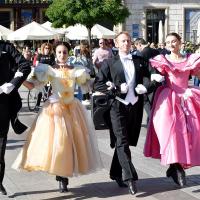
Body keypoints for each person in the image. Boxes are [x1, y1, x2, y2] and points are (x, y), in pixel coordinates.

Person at [12, 42, 102, 193]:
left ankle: (63, 177)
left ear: (69, 53)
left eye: (65, 52)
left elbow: (89, 84)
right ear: (55, 53)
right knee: (59, 143)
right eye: (59, 52)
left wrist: (105, 79)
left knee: (70, 144)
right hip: (54, 109)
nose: (62, 55)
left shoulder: (77, 70)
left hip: (73, 109)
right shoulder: (49, 70)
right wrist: (16, 78)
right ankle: (61, 177)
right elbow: (33, 85)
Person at [93, 31, 153, 195]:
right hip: (117, 106)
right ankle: (130, 178)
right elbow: (98, 85)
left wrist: (146, 87)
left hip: (135, 106)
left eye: (128, 41)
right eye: (123, 41)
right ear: (116, 43)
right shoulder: (109, 63)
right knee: (122, 140)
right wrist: (116, 88)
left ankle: (115, 172)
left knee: (126, 141)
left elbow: (149, 77)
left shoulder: (140, 61)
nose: (126, 43)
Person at [144, 32, 200, 187]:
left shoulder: (190, 60)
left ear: (180, 42)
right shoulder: (162, 60)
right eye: (168, 42)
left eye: (174, 41)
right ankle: (176, 167)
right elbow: (152, 75)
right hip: (168, 99)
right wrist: (152, 79)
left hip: (187, 96)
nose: (171, 44)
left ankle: (177, 166)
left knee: (191, 132)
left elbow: (198, 73)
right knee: (170, 132)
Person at [0, 40, 31, 195]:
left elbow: (25, 65)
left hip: (2, 104)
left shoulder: (6, 47)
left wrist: (11, 84)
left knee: (0, 148)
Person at [134, 38, 161, 123]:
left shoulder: (142, 54)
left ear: (139, 44)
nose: (137, 49)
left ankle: (152, 123)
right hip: (157, 80)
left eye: (136, 47)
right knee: (154, 104)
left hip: (146, 82)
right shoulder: (156, 51)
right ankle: (151, 122)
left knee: (147, 104)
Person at [35, 42, 55, 111]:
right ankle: (37, 105)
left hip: (48, 74)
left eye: (49, 48)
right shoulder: (40, 55)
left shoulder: (51, 55)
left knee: (49, 88)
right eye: (46, 48)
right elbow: (37, 65)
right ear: (43, 48)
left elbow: (53, 65)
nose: (47, 49)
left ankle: (47, 103)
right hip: (41, 74)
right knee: (41, 89)